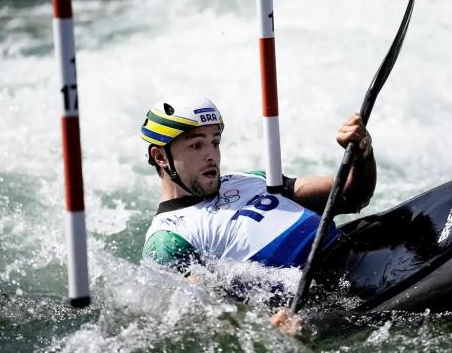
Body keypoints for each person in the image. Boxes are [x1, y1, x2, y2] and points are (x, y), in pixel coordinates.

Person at [140, 95, 376, 332]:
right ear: (160, 157)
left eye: (215, 142)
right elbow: (206, 320)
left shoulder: (252, 179)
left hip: (361, 259)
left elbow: (351, 196)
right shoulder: (168, 238)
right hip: (329, 306)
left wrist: (361, 156)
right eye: (196, 145)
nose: (211, 155)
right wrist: (268, 330)